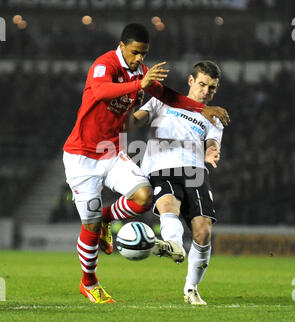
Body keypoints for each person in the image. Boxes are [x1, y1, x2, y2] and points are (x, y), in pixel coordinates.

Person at [63, 23, 229, 304]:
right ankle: (89, 282)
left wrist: (203, 109)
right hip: (82, 156)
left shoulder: (140, 71)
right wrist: (138, 85)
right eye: (136, 53)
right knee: (88, 227)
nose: (141, 59)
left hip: (112, 151)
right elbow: (102, 92)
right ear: (122, 46)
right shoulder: (104, 64)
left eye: (145, 53)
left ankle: (107, 218)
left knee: (143, 196)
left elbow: (168, 96)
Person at [128, 61, 224, 305]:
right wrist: (122, 115)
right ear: (191, 81)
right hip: (161, 166)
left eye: (211, 88)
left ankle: (191, 288)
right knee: (169, 205)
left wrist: (211, 151)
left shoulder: (213, 116)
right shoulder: (163, 101)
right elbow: (135, 120)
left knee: (203, 232)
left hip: (195, 171)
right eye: (202, 84)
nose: (206, 91)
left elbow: (212, 142)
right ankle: (174, 245)